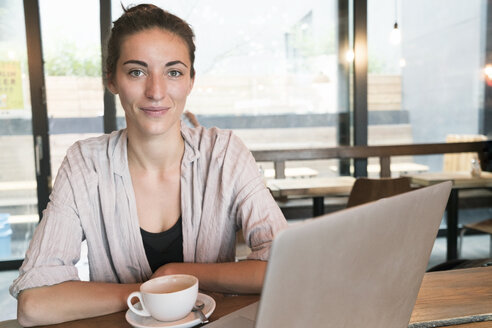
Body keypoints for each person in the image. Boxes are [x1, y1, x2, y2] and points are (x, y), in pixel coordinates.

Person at [11, 4, 288, 326]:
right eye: (136, 72)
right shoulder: (85, 163)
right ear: (111, 79)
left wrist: (180, 273)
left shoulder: (224, 152)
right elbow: (35, 304)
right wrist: (157, 291)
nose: (156, 92)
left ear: (190, 81)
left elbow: (286, 265)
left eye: (173, 72)